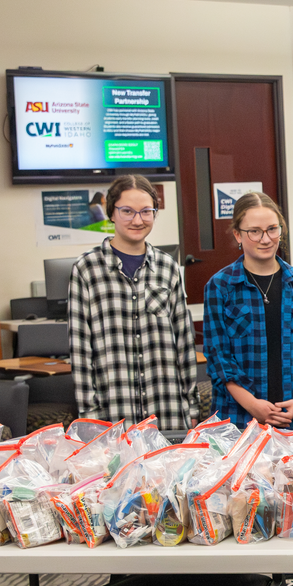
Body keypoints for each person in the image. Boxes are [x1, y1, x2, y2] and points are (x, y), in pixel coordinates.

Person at [69, 174, 197, 432]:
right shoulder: (86, 269)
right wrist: (88, 417)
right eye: (127, 211)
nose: (137, 220)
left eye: (146, 211)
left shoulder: (167, 267)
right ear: (111, 213)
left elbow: (184, 342)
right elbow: (80, 351)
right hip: (111, 415)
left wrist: (191, 407)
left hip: (167, 411)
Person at [203, 192, 293, 443]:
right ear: (238, 234)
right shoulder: (221, 285)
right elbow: (218, 355)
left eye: (272, 229)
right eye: (254, 231)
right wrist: (253, 406)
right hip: (238, 417)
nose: (266, 239)